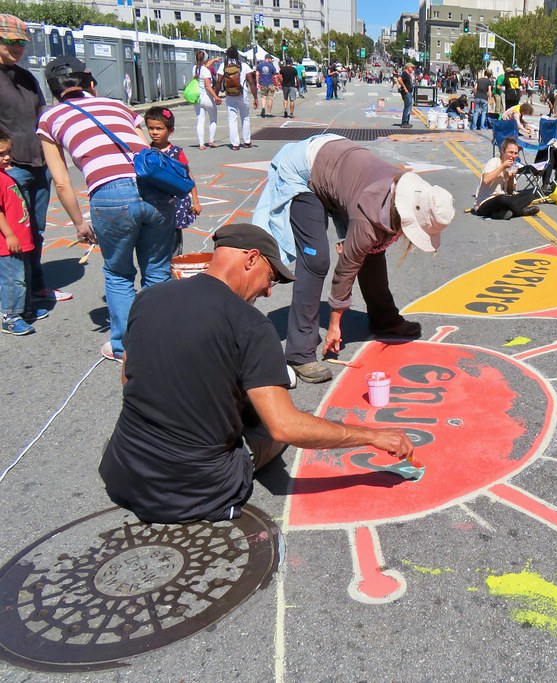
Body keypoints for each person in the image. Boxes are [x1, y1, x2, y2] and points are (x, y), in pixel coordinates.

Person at [98, 223, 415, 523]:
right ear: (251, 259)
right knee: (277, 424)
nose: (267, 291)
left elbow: (129, 376)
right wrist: (373, 436)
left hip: (123, 472)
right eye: (271, 278)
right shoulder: (249, 324)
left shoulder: (148, 298)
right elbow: (286, 427)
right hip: (193, 492)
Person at [252, 136, 454, 383]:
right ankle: (299, 353)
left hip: (337, 169)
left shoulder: (404, 195)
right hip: (303, 172)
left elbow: (366, 248)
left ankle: (385, 321)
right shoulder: (369, 217)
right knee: (316, 260)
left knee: (372, 251)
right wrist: (335, 325)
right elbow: (346, 267)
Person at [37, 57, 176, 361]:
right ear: (90, 84)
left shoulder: (50, 118)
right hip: (154, 191)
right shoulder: (118, 107)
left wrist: (79, 224)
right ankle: (161, 340)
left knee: (118, 273)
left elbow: (61, 182)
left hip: (110, 195)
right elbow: (149, 155)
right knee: (157, 271)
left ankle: (126, 347)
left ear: (53, 90)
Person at [0, 15, 70, 304]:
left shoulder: (26, 76)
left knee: (35, 231)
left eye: (22, 42)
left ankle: (35, 287)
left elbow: (43, 116)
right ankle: (15, 297)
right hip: (11, 167)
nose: (18, 47)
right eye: (11, 41)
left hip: (38, 164)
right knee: (12, 234)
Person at [0, 128, 45, 335]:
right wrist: (9, 234)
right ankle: (10, 316)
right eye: (1, 153)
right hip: (7, 242)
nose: (7, 157)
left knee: (23, 275)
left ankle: (24, 309)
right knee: (12, 279)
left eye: (8, 152)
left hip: (20, 237)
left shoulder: (5, 175)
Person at [144, 108, 201, 256]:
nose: (154, 132)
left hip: (176, 202)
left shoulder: (176, 152)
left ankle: (175, 262)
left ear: (171, 130)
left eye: (159, 129)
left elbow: (188, 176)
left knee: (175, 235)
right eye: (151, 128)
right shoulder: (146, 150)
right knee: (155, 235)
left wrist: (195, 201)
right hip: (153, 201)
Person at [473, 138, 540, 220]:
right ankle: (521, 212)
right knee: (502, 198)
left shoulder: (512, 166)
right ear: (503, 151)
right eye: (510, 152)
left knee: (530, 194)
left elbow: (510, 192)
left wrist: (511, 179)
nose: (513, 156)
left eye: (515, 153)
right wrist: (502, 167)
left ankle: (501, 213)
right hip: (484, 204)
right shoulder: (494, 161)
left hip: (504, 202)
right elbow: (485, 180)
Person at [217, 45, 258, 151]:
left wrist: (216, 95)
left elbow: (219, 81)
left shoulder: (223, 65)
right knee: (245, 118)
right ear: (237, 54)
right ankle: (247, 141)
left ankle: (235, 144)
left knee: (232, 119)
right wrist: (255, 98)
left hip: (230, 95)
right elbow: (251, 82)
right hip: (242, 94)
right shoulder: (243, 65)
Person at [192, 50, 220, 149]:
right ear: (205, 59)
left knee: (200, 120)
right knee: (213, 119)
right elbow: (208, 86)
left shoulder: (195, 68)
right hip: (207, 97)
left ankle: (201, 143)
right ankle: (211, 140)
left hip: (197, 98)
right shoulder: (206, 71)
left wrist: (214, 60)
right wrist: (216, 97)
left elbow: (205, 64)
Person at [398, 63, 414, 128]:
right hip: (406, 93)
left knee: (409, 107)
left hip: (409, 92)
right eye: (412, 67)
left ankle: (407, 121)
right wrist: (404, 88)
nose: (413, 69)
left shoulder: (408, 74)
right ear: (408, 67)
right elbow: (399, 79)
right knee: (407, 107)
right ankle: (404, 122)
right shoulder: (404, 73)